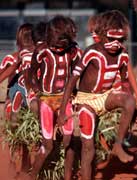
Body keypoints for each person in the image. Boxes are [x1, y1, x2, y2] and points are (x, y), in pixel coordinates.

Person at [58, 10, 136, 180]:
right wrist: (63, 111)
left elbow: (124, 82)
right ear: (101, 34)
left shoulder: (123, 55)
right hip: (85, 100)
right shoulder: (92, 52)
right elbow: (72, 81)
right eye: (111, 39)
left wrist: (132, 110)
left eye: (120, 40)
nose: (116, 44)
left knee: (130, 101)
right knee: (88, 148)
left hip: (105, 96)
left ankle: (118, 145)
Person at [29, 15, 82, 179]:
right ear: (48, 37)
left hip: (65, 99)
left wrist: (75, 94)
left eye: (62, 46)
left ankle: (67, 176)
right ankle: (32, 176)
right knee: (48, 145)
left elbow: (75, 74)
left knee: (68, 141)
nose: (58, 49)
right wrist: (38, 91)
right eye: (55, 45)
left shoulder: (73, 51)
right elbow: (31, 73)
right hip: (46, 100)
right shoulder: (41, 51)